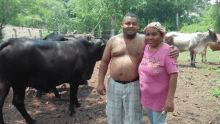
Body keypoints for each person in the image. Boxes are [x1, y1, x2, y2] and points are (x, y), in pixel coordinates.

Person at [97, 13, 178, 124]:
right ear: (122, 25)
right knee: (113, 116)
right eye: (128, 23)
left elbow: (159, 43)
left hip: (134, 85)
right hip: (113, 84)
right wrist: (100, 82)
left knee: (133, 118)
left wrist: (175, 50)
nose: (131, 26)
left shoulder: (144, 40)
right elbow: (104, 62)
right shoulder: (113, 40)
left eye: (134, 23)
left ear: (138, 26)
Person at [138, 22, 178, 124]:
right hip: (147, 97)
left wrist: (170, 100)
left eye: (154, 34)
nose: (150, 37)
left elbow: (173, 75)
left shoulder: (168, 51)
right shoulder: (146, 47)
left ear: (162, 36)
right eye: (148, 34)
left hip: (160, 100)